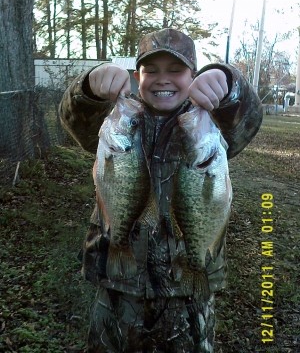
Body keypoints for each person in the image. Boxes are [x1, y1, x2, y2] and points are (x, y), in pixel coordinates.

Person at [59, 28, 263, 353]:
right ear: (137, 75)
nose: (162, 79)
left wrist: (227, 81)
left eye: (176, 70)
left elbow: (247, 119)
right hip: (118, 280)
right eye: (150, 70)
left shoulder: (208, 124)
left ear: (193, 75)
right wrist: (89, 88)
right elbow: (76, 120)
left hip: (187, 288)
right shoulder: (118, 116)